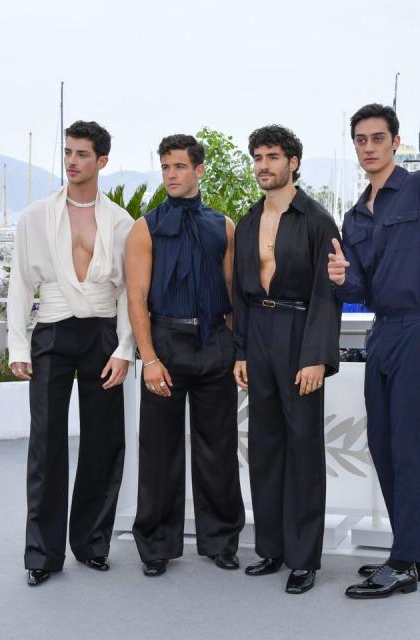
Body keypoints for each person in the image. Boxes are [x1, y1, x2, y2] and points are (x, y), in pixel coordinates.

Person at [328, 104, 420, 599]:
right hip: (382, 333)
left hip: (419, 330)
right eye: (361, 141)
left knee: (408, 448)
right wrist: (341, 277)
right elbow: (361, 287)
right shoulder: (355, 213)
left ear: (395, 141)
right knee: (385, 449)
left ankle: (404, 562)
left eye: (376, 138)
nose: (368, 147)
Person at [8, 120, 134, 587]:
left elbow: (128, 293)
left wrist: (125, 349)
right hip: (53, 335)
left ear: (102, 161)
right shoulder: (35, 216)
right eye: (68, 152)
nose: (72, 161)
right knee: (46, 444)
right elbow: (21, 283)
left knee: (104, 442)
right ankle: (41, 554)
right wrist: (18, 343)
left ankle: (92, 543)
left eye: (82, 154)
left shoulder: (121, 222)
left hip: (103, 334)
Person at [125, 134, 244, 577]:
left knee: (219, 449)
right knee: (159, 452)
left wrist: (234, 348)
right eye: (165, 167)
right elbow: (136, 298)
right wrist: (150, 358)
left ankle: (221, 541)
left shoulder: (225, 226)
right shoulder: (146, 227)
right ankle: (155, 546)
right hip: (166, 345)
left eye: (178, 167)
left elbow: (232, 291)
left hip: (215, 343)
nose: (170, 175)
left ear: (199, 170)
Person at [232, 125, 342, 595]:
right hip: (258, 331)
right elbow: (238, 290)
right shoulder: (248, 220)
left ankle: (303, 558)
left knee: (302, 446)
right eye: (257, 157)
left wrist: (316, 356)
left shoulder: (317, 220)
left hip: (300, 331)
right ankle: (272, 549)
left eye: (272, 156)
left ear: (293, 162)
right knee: (264, 445)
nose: (263, 165)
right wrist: (240, 349)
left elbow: (327, 294)